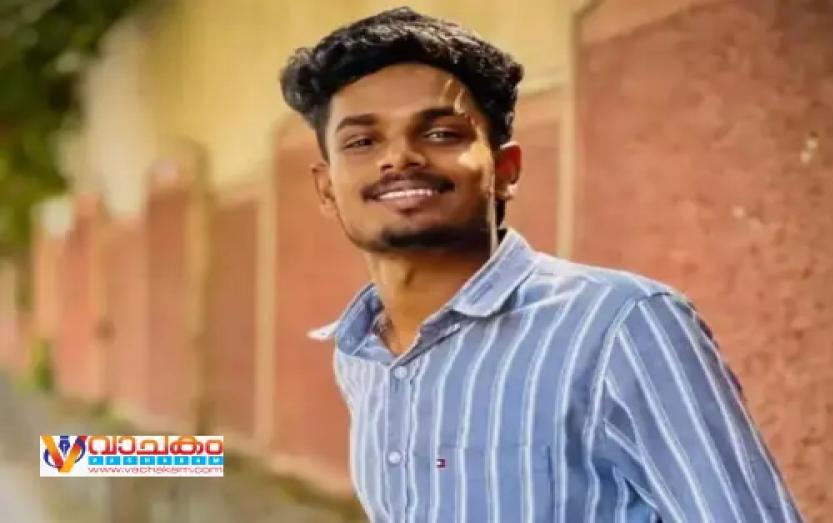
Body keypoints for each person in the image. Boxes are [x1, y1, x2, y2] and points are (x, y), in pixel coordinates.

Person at [281, 7, 802, 522]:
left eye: (440, 134)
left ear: (506, 171)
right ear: (326, 190)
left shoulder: (622, 325)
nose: (399, 158)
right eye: (362, 141)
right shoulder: (361, 353)